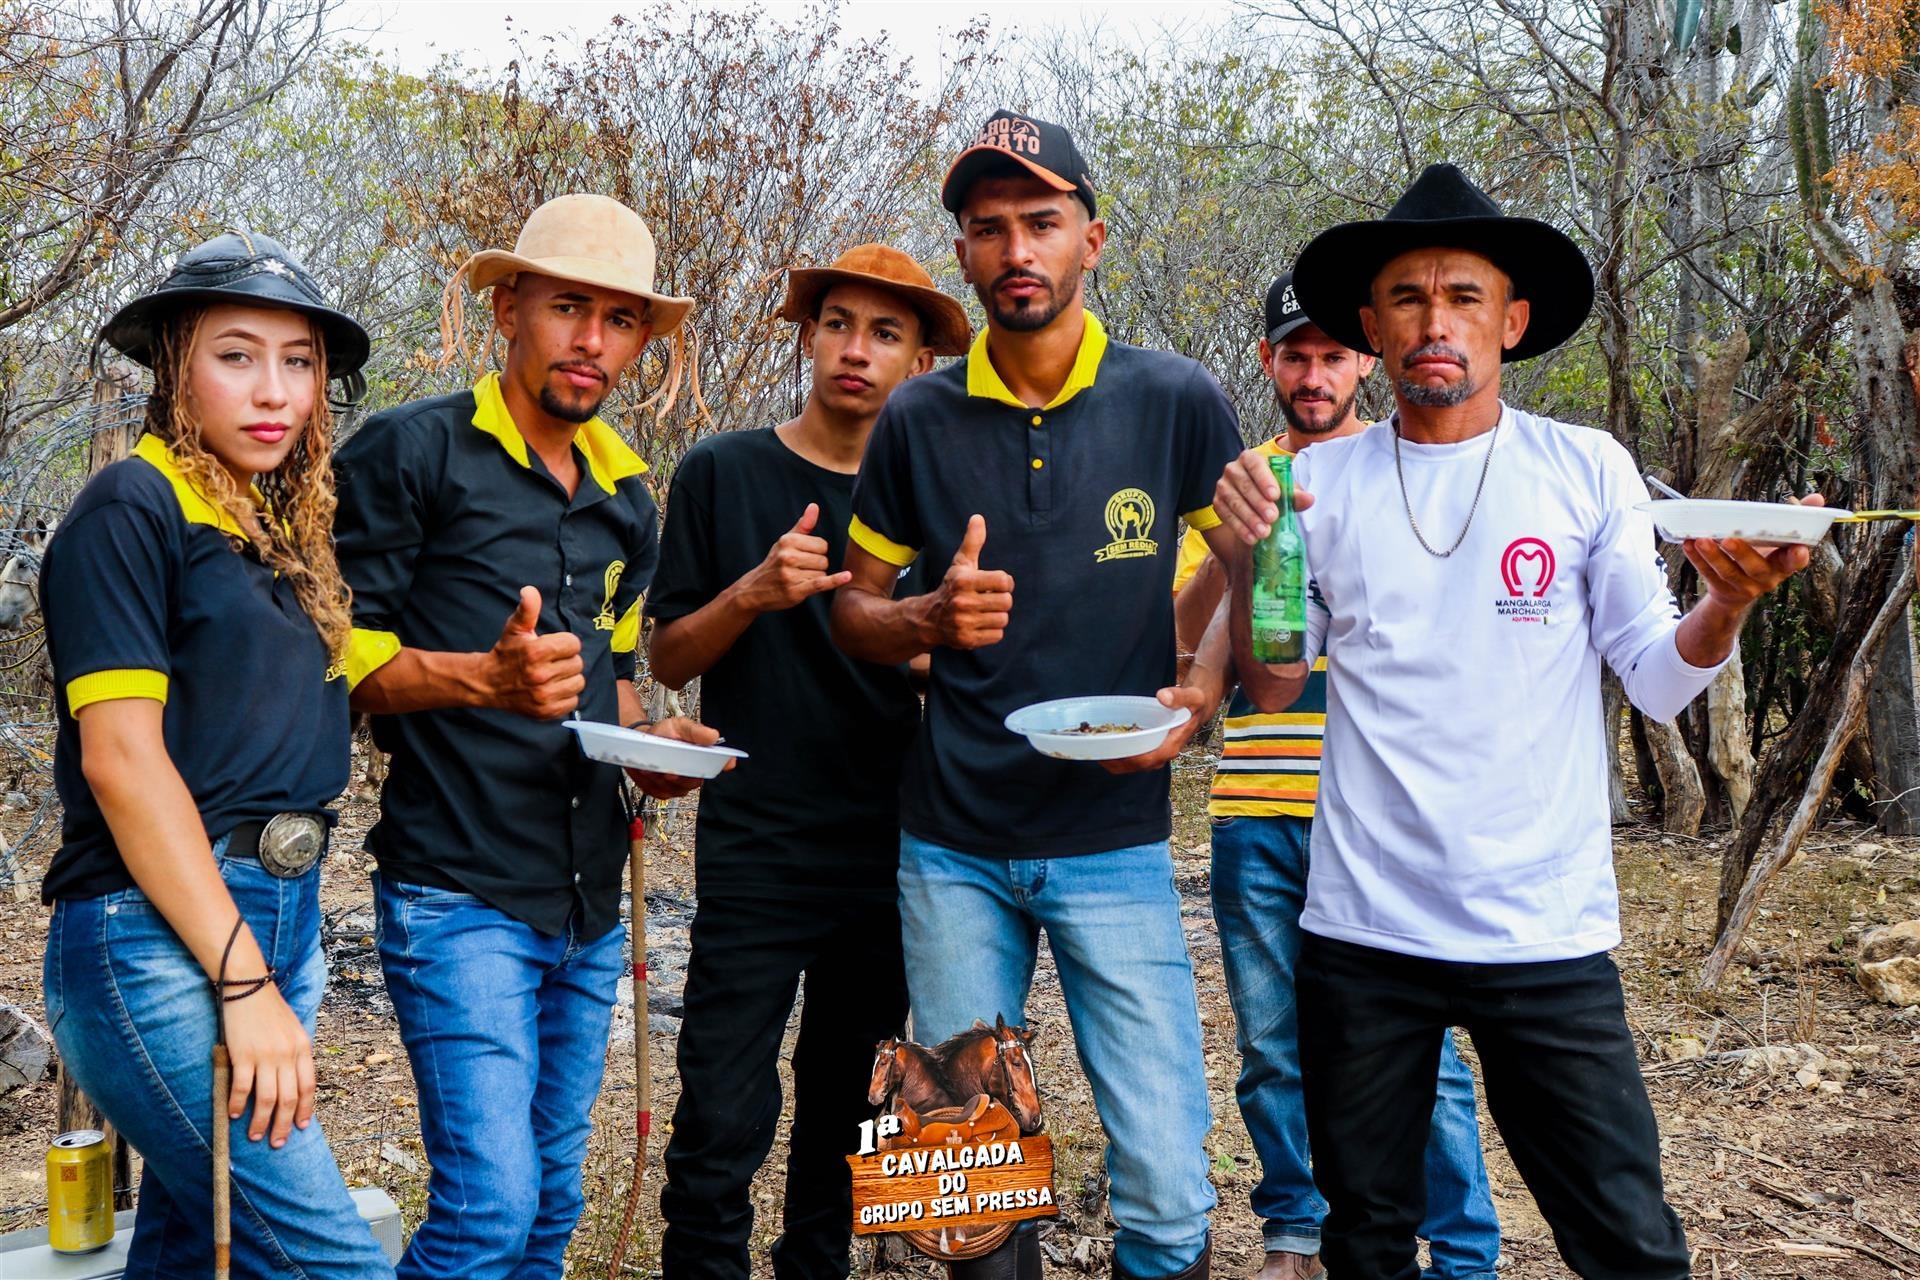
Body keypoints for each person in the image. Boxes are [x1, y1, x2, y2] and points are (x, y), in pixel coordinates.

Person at [1212, 164, 1819, 1280]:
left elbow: (1655, 676)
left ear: (1513, 321)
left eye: (1464, 297)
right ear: (1371, 328)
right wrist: (1253, 554)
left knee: (1630, 1242)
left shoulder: (1583, 467)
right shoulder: (1319, 482)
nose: (1434, 323)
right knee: (1366, 1241)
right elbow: (1277, 682)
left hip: (1542, 928)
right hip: (1366, 930)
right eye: (1406, 298)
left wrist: (1728, 602)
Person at [830, 110, 1247, 1280]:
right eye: (989, 227)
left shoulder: (1174, 398)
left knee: (1167, 1177)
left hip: (1115, 835)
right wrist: (924, 617)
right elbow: (852, 610)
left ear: (1091, 239)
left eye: (1042, 222)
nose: (1017, 248)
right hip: (953, 841)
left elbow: (1250, 571)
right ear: (963, 253)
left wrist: (1201, 688)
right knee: (964, 1182)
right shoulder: (916, 416)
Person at [332, 193, 723, 1279]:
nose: (591, 340)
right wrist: (482, 678)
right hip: (458, 890)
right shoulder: (411, 452)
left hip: (586, 903)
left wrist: (657, 744)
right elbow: (334, 656)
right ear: (509, 310)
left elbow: (611, 683)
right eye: (566, 307)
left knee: (550, 1204)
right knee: (487, 1213)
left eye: (620, 319)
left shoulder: (628, 495)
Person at [40, 231, 393, 1276]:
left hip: (282, 913)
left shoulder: (279, 531)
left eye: (299, 361)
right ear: (173, 365)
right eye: (236, 355)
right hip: (156, 932)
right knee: (334, 1260)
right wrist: (243, 983)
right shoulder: (129, 508)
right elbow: (120, 761)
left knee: (196, 1249)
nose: (273, 389)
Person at [646, 243, 969, 1280]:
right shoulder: (723, 471)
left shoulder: (937, 499)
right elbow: (668, 657)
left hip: (892, 842)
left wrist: (916, 631)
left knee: (848, 1108)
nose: (856, 350)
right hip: (756, 842)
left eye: (885, 333)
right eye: (837, 325)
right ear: (808, 336)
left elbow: (970, 663)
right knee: (720, 1105)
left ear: (919, 360)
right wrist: (754, 591)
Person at [1173, 274, 1500, 1280]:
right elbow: (1180, 645)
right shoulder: (1238, 481)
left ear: (1366, 357)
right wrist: (1233, 549)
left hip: (1378, 815)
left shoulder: (1406, 471)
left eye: (1331, 356)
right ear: (1268, 362)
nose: (1313, 375)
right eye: (1294, 356)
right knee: (1272, 1042)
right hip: (1254, 807)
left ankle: (1462, 1250)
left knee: (1424, 1049)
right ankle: (1293, 1233)